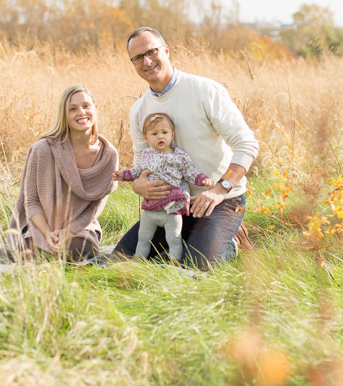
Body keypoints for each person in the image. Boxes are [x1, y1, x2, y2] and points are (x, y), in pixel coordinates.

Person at [111, 27, 259, 268]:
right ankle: (193, 240)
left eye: (152, 51)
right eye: (138, 57)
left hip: (219, 200)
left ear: (166, 51)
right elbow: (141, 164)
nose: (147, 61)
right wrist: (139, 185)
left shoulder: (204, 91)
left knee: (198, 266)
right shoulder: (139, 109)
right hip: (170, 207)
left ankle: (231, 241)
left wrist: (220, 189)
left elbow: (247, 143)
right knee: (122, 261)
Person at [0, 84, 118, 262]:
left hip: (79, 227)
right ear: (64, 115)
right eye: (73, 109)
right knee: (31, 254)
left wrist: (68, 231)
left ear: (95, 108)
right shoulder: (43, 150)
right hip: (40, 224)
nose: (81, 112)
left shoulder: (108, 156)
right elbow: (30, 201)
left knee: (80, 251)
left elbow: (95, 207)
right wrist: (47, 233)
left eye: (86, 106)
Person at [112, 112, 213, 261]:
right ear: (146, 138)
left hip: (172, 209)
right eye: (154, 134)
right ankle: (138, 260)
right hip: (150, 209)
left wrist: (202, 179)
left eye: (164, 132)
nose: (160, 137)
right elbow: (137, 171)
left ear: (172, 134)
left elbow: (190, 172)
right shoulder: (147, 155)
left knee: (174, 238)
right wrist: (122, 175)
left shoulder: (179, 157)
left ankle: (175, 261)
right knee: (143, 237)